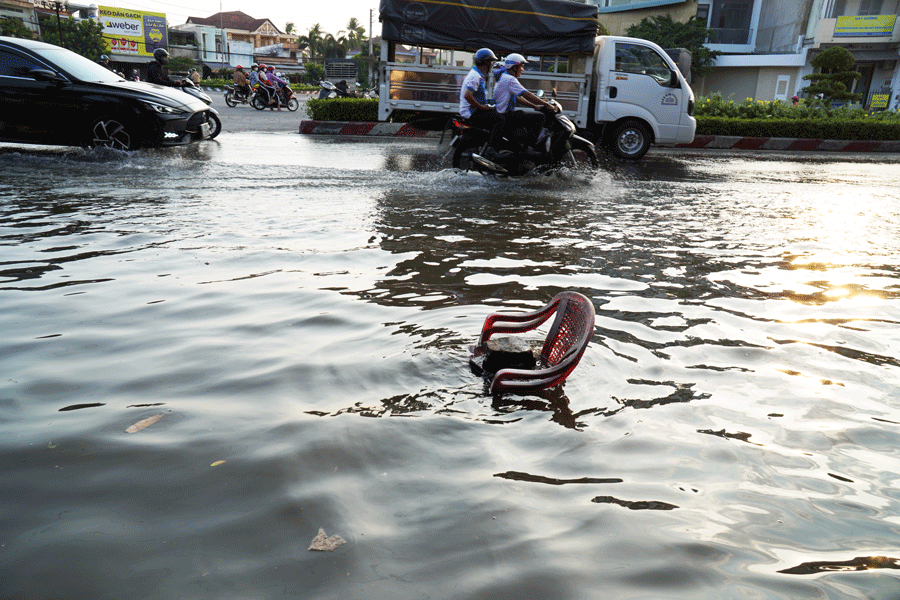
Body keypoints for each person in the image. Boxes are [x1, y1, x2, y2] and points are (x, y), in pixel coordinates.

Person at [493, 53, 558, 148]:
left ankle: (521, 143)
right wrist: (546, 104)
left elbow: (518, 97)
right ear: (514, 67)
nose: (522, 70)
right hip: (505, 114)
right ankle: (529, 147)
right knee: (539, 118)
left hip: (502, 113)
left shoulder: (504, 77)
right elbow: (526, 94)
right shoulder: (510, 79)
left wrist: (535, 106)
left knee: (523, 114)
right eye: (521, 67)